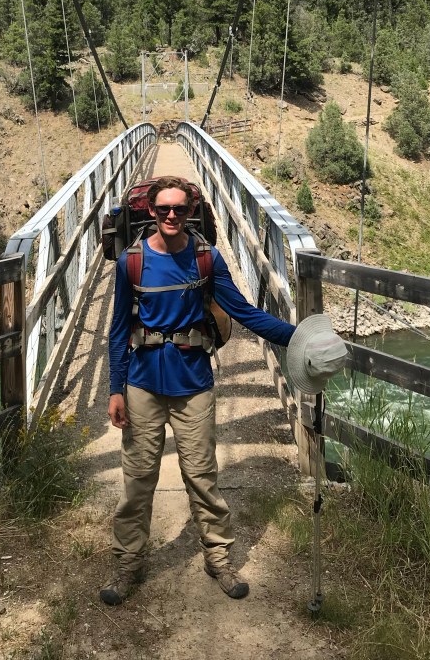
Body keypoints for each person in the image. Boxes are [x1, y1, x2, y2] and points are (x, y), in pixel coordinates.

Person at [100, 175, 346, 606]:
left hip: (193, 382)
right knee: (137, 480)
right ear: (151, 212)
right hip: (142, 384)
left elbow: (244, 312)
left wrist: (301, 339)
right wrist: (115, 389)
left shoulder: (206, 259)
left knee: (201, 477)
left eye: (180, 209)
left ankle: (218, 558)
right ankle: (128, 564)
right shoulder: (131, 262)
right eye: (163, 209)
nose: (172, 215)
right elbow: (119, 329)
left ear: (190, 212)